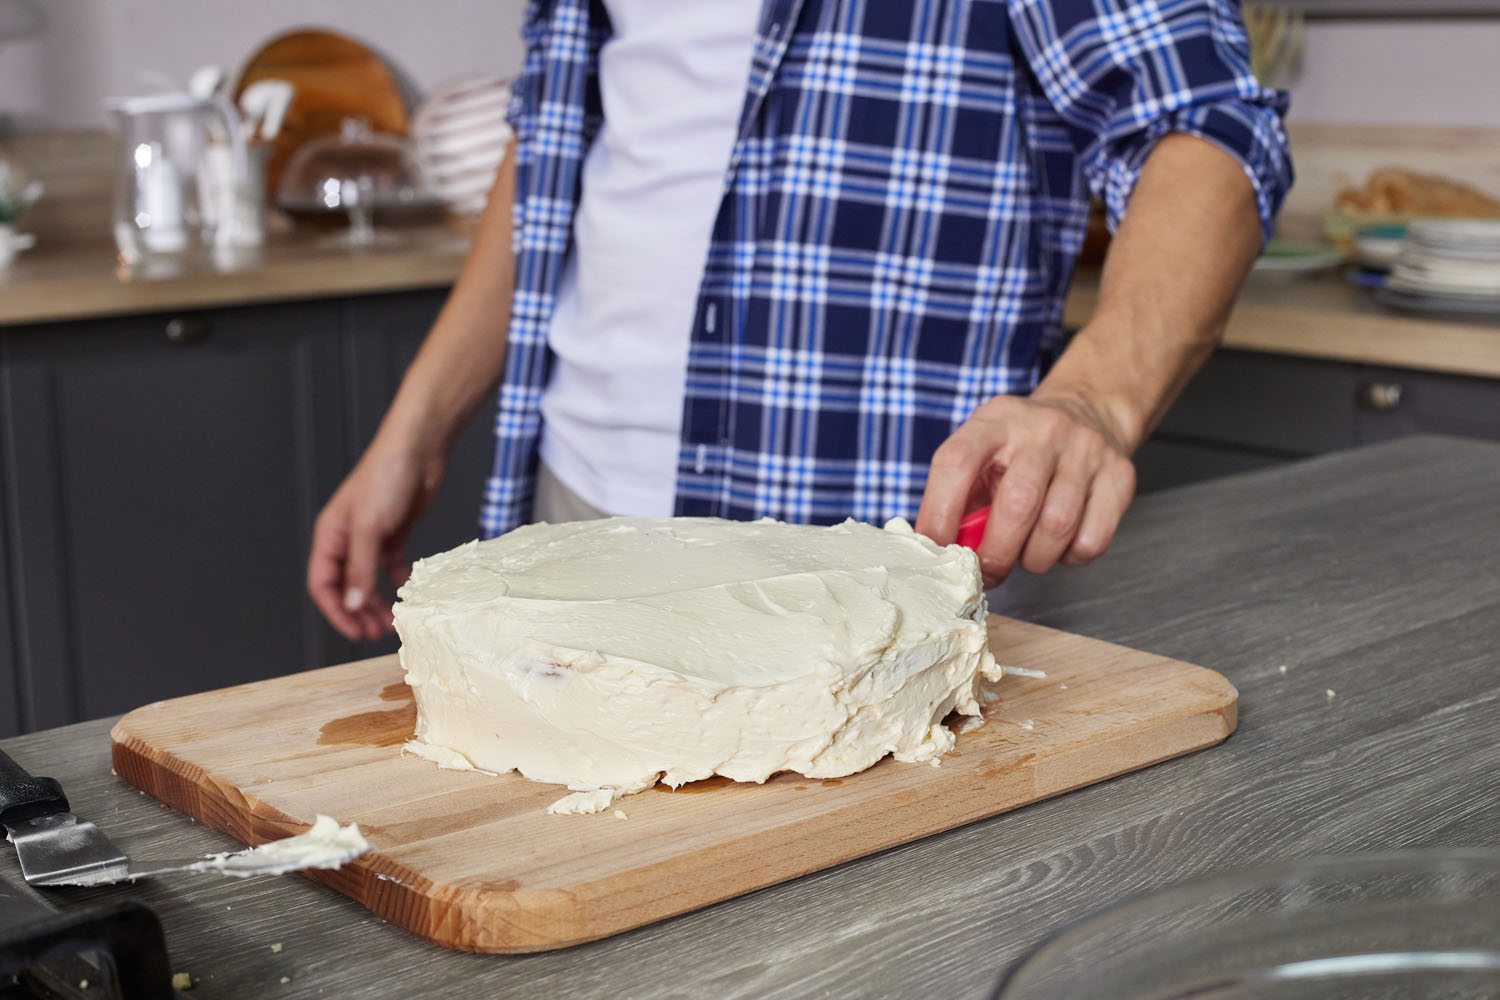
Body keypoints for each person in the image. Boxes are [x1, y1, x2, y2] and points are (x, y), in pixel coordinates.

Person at [309, 0, 1292, 642]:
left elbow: (1199, 123)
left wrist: (1093, 399)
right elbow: (561, 140)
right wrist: (418, 426)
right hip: (575, 500)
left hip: (874, 550)